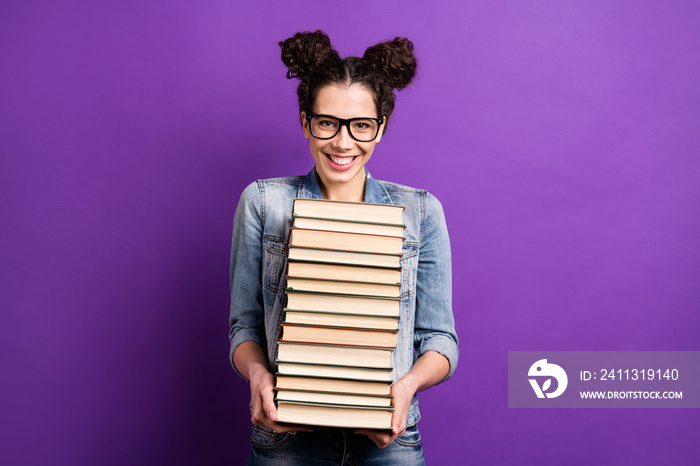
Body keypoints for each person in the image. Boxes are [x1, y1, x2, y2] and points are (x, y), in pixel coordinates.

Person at [229, 30, 459, 465]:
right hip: (288, 437)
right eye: (327, 122)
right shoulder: (262, 203)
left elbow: (441, 341)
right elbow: (245, 327)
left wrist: (405, 387)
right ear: (305, 122)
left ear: (380, 128)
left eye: (361, 125)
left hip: (387, 440)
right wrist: (258, 376)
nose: (342, 142)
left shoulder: (421, 212)